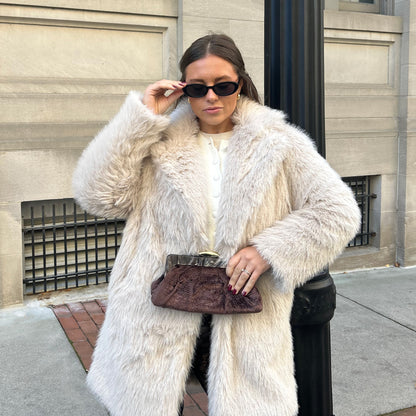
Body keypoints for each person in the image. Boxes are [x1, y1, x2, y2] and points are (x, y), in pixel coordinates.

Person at [73, 34, 360, 416]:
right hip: (155, 313)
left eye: (223, 86)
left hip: (243, 315)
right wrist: (142, 118)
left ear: (240, 83)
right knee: (149, 403)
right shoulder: (156, 141)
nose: (211, 97)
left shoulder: (280, 143)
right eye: (198, 88)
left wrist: (267, 251)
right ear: (184, 90)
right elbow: (98, 197)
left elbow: (338, 211)